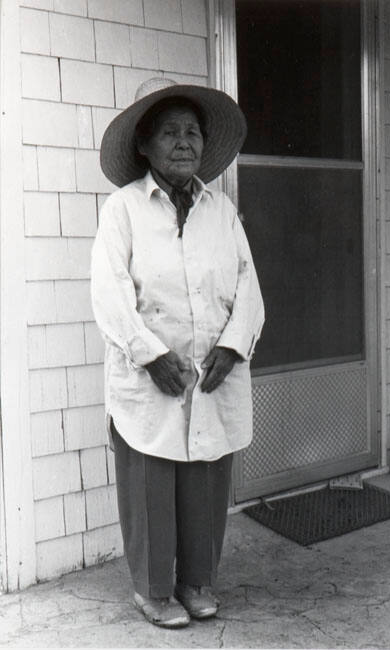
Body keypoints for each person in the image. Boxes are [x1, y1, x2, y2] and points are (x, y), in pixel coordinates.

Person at [91, 77, 264, 629]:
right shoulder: (123, 210)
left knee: (204, 480)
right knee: (150, 480)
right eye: (170, 132)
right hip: (150, 377)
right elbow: (108, 289)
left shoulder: (222, 211)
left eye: (192, 131)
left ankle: (196, 582)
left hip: (212, 374)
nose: (184, 142)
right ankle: (152, 590)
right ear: (145, 145)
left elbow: (248, 288)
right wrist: (149, 354)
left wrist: (234, 348)